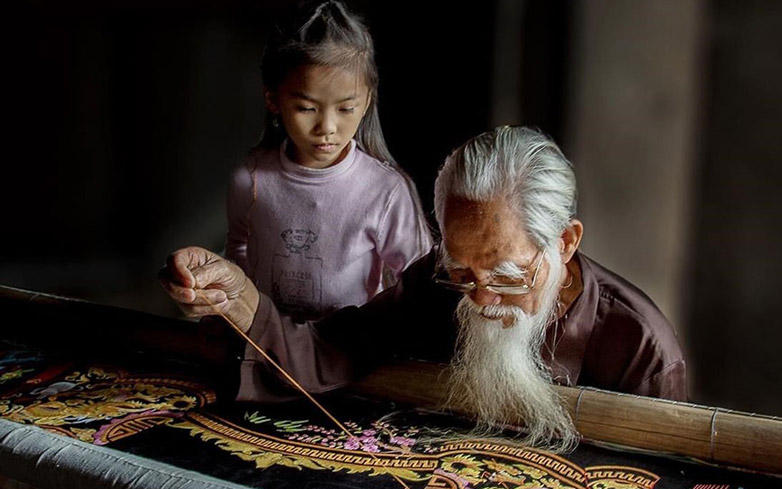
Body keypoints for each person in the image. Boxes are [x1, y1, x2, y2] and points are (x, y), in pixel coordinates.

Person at [162, 126, 687, 452]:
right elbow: (333, 350)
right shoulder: (440, 283)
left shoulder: (641, 347)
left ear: (566, 242)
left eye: (506, 276)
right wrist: (242, 300)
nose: (480, 299)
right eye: (463, 272)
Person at [225, 0, 432, 320]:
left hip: (349, 349)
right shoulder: (251, 176)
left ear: (366, 102)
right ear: (273, 99)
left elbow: (418, 279)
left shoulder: (385, 190)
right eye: (307, 108)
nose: (327, 128)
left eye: (346, 109)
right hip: (267, 340)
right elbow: (239, 246)